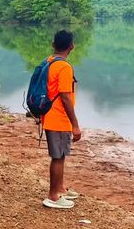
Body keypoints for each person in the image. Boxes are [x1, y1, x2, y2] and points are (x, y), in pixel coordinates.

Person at [42, 29, 82, 209]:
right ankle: (53, 196)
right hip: (58, 118)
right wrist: (75, 125)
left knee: (61, 155)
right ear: (72, 46)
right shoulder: (64, 67)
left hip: (50, 115)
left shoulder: (49, 62)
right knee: (58, 157)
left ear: (53, 45)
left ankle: (60, 189)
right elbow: (65, 97)